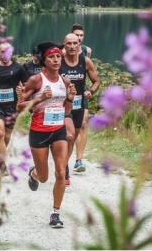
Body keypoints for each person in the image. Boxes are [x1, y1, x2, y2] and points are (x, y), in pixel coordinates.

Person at [17, 42, 77, 228]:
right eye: (52, 57)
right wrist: (40, 98)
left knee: (60, 173)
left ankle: (55, 213)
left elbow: (66, 110)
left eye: (58, 56)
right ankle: (34, 174)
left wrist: (69, 98)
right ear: (45, 60)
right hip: (39, 132)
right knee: (44, 177)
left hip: (58, 130)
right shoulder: (36, 80)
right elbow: (19, 106)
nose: (56, 60)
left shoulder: (65, 81)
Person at [60, 33, 100, 185]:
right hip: (62, 107)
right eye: (68, 43)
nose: (72, 47)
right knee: (68, 136)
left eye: (75, 43)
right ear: (64, 45)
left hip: (78, 106)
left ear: (79, 45)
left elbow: (96, 81)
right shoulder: (58, 61)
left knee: (72, 138)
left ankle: (64, 165)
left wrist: (91, 91)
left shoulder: (85, 61)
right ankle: (62, 167)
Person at [0, 42, 29, 173]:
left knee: (7, 135)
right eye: (2, 51)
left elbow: (26, 85)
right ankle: (2, 165)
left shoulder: (18, 68)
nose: (5, 54)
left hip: (12, 105)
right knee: (0, 132)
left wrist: (22, 90)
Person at [71, 24, 94, 177]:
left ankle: (79, 160)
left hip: (82, 92)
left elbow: (86, 69)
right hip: (66, 95)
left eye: (81, 36)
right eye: (76, 35)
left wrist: (89, 90)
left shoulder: (87, 51)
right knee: (66, 128)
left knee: (83, 125)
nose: (79, 38)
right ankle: (61, 156)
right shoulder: (63, 51)